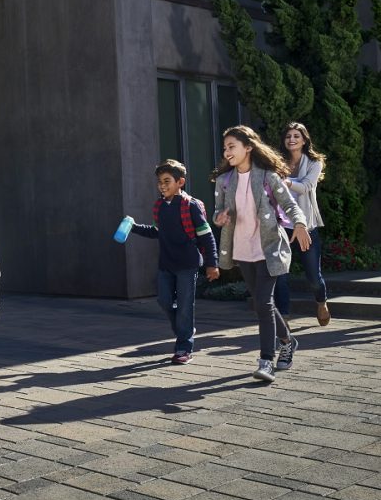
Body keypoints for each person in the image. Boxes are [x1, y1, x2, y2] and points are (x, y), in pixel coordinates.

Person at [211, 125, 311, 383]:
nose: (227, 151)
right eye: (225, 148)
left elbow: (290, 204)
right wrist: (219, 218)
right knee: (262, 303)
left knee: (263, 303)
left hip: (269, 248)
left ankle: (266, 360)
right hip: (243, 250)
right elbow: (217, 212)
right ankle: (288, 340)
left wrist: (299, 224)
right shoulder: (224, 181)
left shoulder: (267, 176)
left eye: (232, 146)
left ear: (248, 148)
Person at [129, 159, 219, 365]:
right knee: (164, 301)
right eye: (160, 181)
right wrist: (134, 227)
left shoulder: (191, 206)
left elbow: (207, 236)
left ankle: (183, 348)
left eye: (167, 181)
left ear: (180, 182)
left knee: (186, 307)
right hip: (166, 264)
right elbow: (157, 232)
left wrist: (212, 263)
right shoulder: (159, 206)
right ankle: (184, 329)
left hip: (188, 264)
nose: (162, 185)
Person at [276, 122, 330, 326]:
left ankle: (321, 302)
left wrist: (286, 182)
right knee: (280, 274)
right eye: (288, 136)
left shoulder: (315, 162)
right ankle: (284, 317)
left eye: (296, 136)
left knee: (313, 276)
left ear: (304, 139)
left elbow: (306, 186)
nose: (291, 139)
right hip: (282, 226)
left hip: (306, 227)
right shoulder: (278, 162)